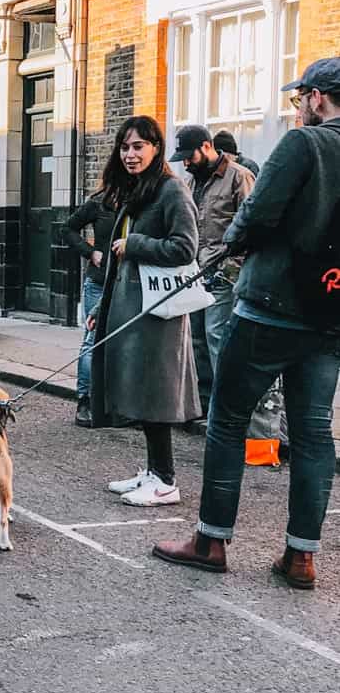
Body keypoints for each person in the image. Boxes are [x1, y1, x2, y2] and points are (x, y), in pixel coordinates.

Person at [155, 59, 340, 588]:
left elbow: (256, 214)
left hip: (270, 304)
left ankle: (211, 540)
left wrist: (231, 243)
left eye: (299, 98)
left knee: (228, 418)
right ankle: (301, 556)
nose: (298, 107)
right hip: (330, 315)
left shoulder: (305, 145)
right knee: (311, 432)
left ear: (318, 99)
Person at [88, 116, 200, 507]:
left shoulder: (172, 190)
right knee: (139, 389)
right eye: (125, 147)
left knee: (155, 394)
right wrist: (102, 307)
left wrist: (135, 243)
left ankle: (167, 480)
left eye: (139, 146)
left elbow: (186, 248)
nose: (131, 155)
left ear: (156, 148)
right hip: (131, 305)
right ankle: (153, 472)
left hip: (158, 313)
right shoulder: (139, 190)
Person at [171, 124, 255, 421]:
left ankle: (225, 413)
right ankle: (203, 405)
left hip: (224, 274)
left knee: (217, 338)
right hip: (194, 273)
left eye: (188, 155)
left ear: (206, 147)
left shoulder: (239, 176)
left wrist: (232, 267)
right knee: (196, 341)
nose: (185, 162)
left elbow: (252, 224)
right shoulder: (192, 182)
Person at [64, 189, 121, 427]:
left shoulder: (145, 200)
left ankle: (115, 404)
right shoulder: (100, 201)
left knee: (122, 342)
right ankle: (84, 401)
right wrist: (90, 252)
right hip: (99, 281)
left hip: (129, 283)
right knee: (93, 340)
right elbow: (67, 229)